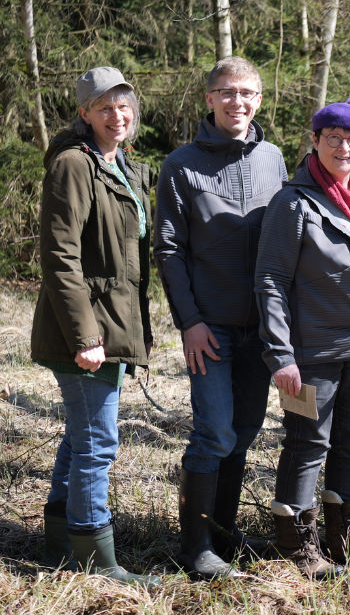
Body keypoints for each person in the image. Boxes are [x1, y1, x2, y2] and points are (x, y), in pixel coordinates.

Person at [255, 102, 350, 576]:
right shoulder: (294, 202)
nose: (344, 148)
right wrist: (281, 355)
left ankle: (346, 537)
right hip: (309, 352)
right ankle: (296, 545)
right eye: (334, 139)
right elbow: (270, 281)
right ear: (316, 141)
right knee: (307, 443)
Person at [154, 57, 288, 578]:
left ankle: (224, 536)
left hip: (262, 328)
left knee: (245, 431)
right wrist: (189, 321)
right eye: (227, 92)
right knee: (214, 433)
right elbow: (169, 249)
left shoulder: (273, 158)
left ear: (259, 100)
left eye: (247, 93)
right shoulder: (181, 165)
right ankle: (195, 548)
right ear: (209, 99)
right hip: (209, 328)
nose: (238, 102)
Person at [31, 67, 159, 586]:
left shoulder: (120, 165)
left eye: (124, 105)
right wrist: (86, 337)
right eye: (104, 107)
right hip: (86, 331)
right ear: (84, 113)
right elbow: (60, 257)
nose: (117, 115)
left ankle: (61, 542)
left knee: (81, 435)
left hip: (113, 324)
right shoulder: (73, 164)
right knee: (97, 443)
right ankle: (95, 559)